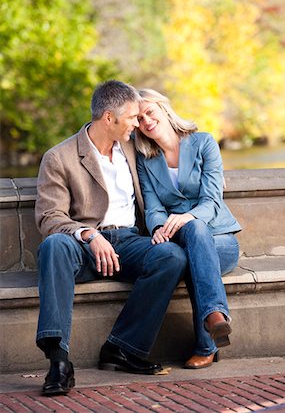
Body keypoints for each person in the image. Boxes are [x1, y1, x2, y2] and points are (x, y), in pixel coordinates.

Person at [35, 80, 188, 396]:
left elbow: (176, 148)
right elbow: (50, 217)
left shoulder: (133, 148)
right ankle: (58, 359)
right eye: (132, 117)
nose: (138, 123)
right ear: (109, 118)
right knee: (54, 245)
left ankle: (123, 349)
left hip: (131, 243)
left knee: (171, 256)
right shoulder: (59, 157)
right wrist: (89, 235)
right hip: (82, 246)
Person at [135, 88, 241, 370]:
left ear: (164, 109)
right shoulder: (146, 159)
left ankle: (207, 343)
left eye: (150, 112)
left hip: (221, 240)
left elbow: (211, 201)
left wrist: (186, 217)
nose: (146, 121)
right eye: (140, 117)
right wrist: (158, 226)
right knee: (194, 244)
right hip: (182, 238)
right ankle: (214, 318)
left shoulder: (204, 143)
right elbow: (153, 205)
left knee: (196, 236)